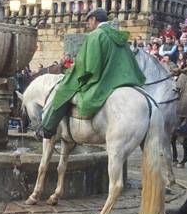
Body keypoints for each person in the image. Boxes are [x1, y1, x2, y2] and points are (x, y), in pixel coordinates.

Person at [39, 8, 144, 139]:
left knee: (63, 90)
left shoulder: (96, 35)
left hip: (101, 81)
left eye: (89, 21)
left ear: (94, 19)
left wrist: (72, 71)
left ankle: (47, 129)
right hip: (122, 79)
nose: (88, 25)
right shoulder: (119, 35)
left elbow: (89, 67)